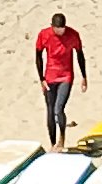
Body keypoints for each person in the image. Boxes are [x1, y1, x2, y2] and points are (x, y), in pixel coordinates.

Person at [33, 12, 88, 150]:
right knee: (50, 111)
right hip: (49, 77)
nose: (60, 31)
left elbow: (80, 55)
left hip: (66, 76)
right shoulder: (44, 35)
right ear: (52, 27)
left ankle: (62, 138)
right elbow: (38, 56)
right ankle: (53, 144)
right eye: (57, 29)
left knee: (58, 109)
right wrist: (41, 79)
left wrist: (84, 77)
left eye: (62, 28)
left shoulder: (73, 35)